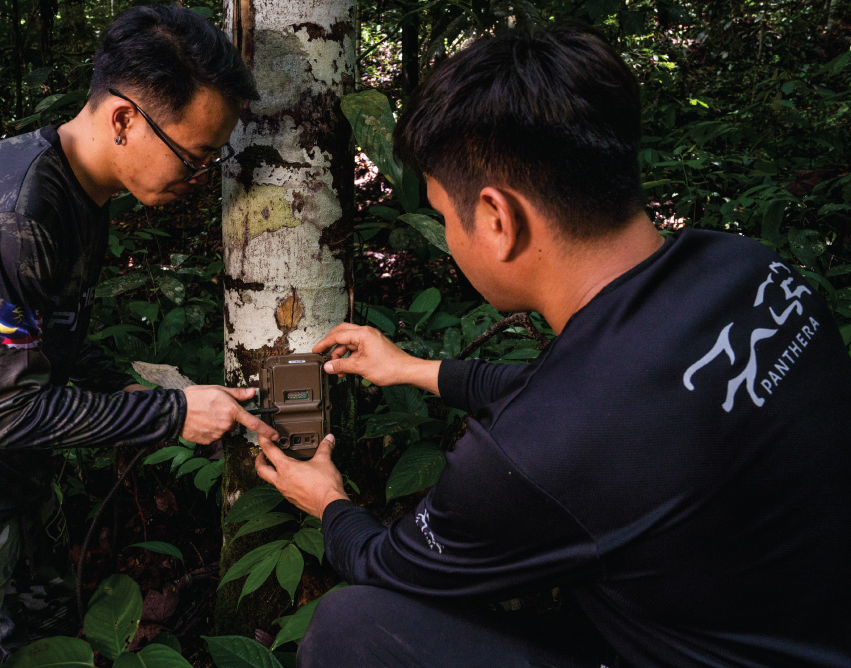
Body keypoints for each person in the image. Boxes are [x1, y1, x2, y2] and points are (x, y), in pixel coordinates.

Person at [254, 21, 851, 668]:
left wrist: (329, 501)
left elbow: (387, 564)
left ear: (496, 218)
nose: (448, 237)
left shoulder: (541, 450)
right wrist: (416, 370)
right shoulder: (751, 270)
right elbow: (615, 411)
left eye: (443, 216)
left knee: (350, 625)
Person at [0, 6, 277, 667]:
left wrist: (132, 386)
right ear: (123, 119)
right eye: (191, 157)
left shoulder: (79, 194)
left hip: (8, 483)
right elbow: (2, 410)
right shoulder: (9, 218)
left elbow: (48, 339)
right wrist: (170, 415)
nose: (196, 180)